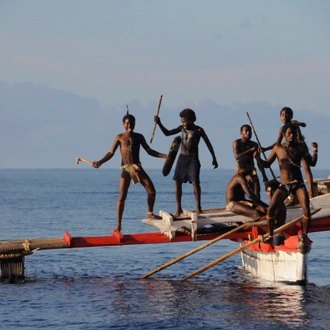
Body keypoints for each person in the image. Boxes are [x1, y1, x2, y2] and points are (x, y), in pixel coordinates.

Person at [93, 112, 167, 232]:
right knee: (122, 197)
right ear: (123, 124)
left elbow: (149, 151)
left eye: (132, 122)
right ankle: (118, 226)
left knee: (152, 191)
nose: (129, 125)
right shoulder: (119, 137)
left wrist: (164, 156)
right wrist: (100, 162)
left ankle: (150, 213)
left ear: (135, 123)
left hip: (137, 167)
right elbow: (111, 153)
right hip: (126, 169)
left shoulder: (139, 137)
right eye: (127, 123)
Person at [257, 122, 318, 243]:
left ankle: (304, 235)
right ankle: (270, 236)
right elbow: (267, 164)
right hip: (284, 185)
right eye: (289, 134)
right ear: (284, 135)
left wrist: (315, 151)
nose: (292, 136)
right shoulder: (278, 148)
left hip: (298, 184)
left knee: (306, 210)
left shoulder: (301, 147)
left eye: (294, 134)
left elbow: (312, 162)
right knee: (270, 210)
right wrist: (258, 158)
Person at [154, 108, 218, 216]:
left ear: (192, 120)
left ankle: (198, 207)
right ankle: (178, 209)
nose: (183, 124)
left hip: (193, 159)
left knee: (195, 182)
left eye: (185, 121)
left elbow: (208, 144)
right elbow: (167, 133)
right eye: (182, 121)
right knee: (177, 182)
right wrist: (159, 123)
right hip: (182, 158)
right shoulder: (181, 129)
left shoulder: (199, 130)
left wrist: (214, 158)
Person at [263, 107, 315, 197]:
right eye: (282, 115)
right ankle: (294, 196)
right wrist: (266, 149)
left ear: (291, 116)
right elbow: (277, 143)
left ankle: (311, 192)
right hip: (289, 149)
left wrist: (299, 124)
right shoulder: (282, 129)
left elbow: (304, 124)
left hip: (300, 147)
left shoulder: (293, 123)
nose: (284, 116)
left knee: (306, 167)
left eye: (287, 114)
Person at [232, 124, 267, 199]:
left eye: (250, 131)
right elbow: (237, 156)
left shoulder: (254, 144)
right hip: (241, 172)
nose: (248, 133)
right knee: (240, 195)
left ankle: (258, 207)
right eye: (246, 131)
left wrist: (264, 177)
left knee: (256, 194)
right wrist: (250, 150)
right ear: (241, 133)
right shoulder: (237, 143)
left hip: (251, 171)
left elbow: (258, 161)